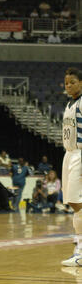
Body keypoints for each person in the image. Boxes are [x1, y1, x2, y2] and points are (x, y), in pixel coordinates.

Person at [60, 68, 82, 266]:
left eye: (73, 82)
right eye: (66, 83)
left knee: (77, 202)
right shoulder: (69, 104)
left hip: (80, 153)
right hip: (69, 153)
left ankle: (81, 249)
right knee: (72, 202)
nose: (69, 86)